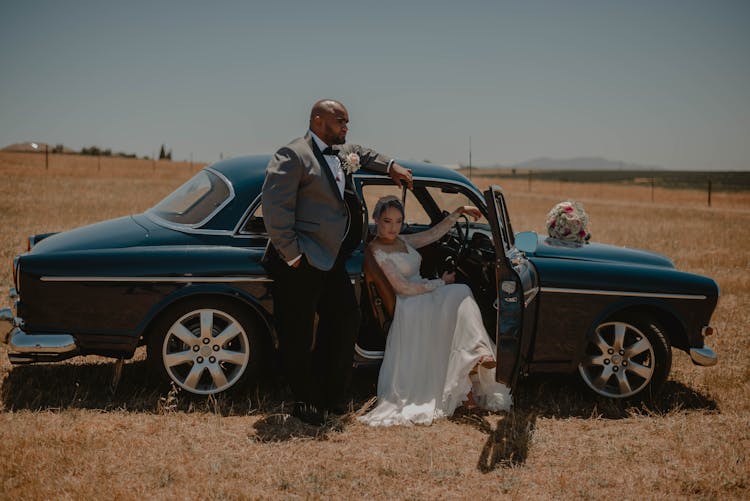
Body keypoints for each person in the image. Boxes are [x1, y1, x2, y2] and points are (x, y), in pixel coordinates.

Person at [262, 99, 413, 426]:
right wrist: (294, 256)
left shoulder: (343, 152)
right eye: (341, 121)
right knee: (298, 334)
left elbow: (366, 154)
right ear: (318, 120)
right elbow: (275, 211)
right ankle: (305, 400)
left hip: (332, 262)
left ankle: (333, 396)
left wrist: (391, 167)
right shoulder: (292, 155)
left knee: (346, 320)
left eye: (347, 122)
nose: (346, 127)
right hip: (300, 262)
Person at [359, 196, 512, 427]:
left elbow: (433, 235)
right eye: (387, 221)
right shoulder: (376, 250)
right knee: (459, 291)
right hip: (409, 304)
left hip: (423, 293)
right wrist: (440, 283)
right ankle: (477, 354)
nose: (392, 227)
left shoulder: (402, 240)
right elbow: (403, 287)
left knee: (460, 295)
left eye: (398, 221)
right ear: (376, 220)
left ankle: (475, 362)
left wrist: (458, 212)